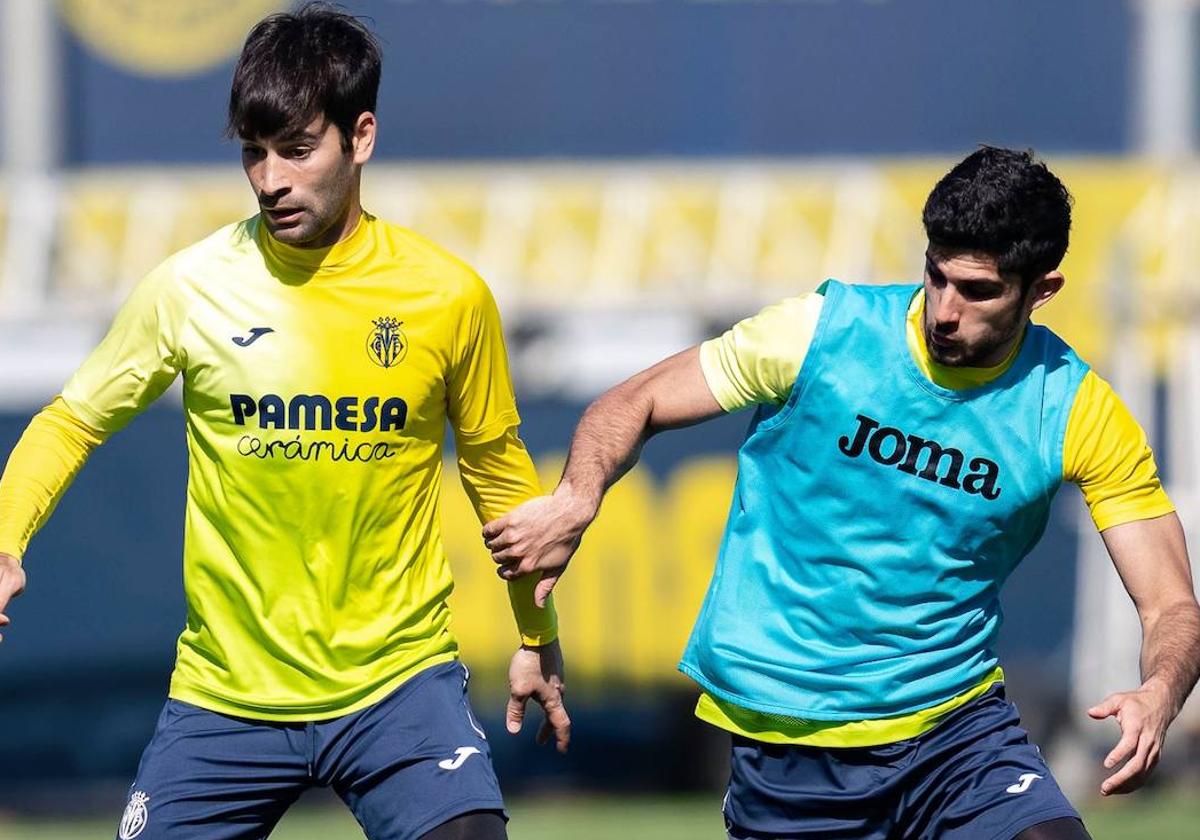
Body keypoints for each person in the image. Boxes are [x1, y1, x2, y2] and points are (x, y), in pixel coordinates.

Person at [482, 147, 1200, 840]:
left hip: (954, 731)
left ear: (1041, 291)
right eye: (936, 277)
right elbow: (632, 403)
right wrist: (578, 496)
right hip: (791, 737)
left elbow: (1168, 602)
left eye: (978, 291)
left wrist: (1159, 693)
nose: (944, 311)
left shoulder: (1077, 410)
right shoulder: (818, 332)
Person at [0, 5, 567, 839]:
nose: (270, 180)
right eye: (252, 153)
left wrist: (536, 631)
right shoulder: (190, 288)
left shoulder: (447, 296)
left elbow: (497, 471)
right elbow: (73, 420)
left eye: (296, 150)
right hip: (225, 699)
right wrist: (6, 539)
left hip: (397, 688)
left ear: (360, 137)